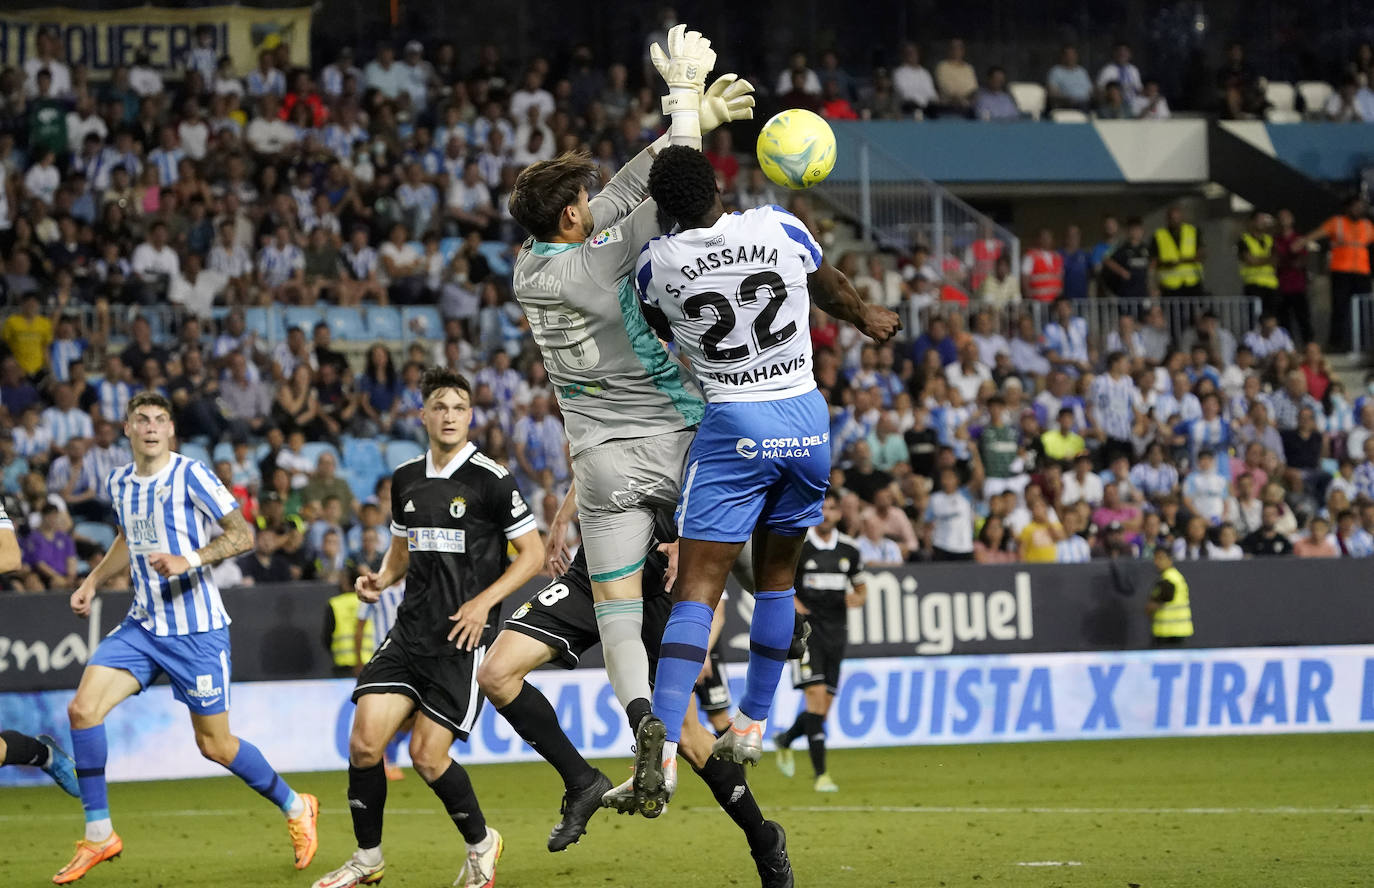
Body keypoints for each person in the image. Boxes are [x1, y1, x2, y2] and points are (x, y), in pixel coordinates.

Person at [507, 28, 755, 770]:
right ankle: (784, 630)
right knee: (744, 518)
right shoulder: (606, 259)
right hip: (671, 434)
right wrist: (682, 105)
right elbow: (674, 185)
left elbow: (617, 192)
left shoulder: (530, 267)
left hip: (599, 463)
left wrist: (693, 123)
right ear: (575, 219)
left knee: (617, 613)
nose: (592, 200)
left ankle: (642, 715)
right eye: (582, 200)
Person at [631, 144, 900, 816]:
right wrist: (865, 316)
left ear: (663, 208)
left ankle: (662, 749)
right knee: (778, 577)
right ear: (720, 186)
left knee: (697, 587)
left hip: (734, 425)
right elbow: (829, 283)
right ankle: (751, 722)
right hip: (807, 423)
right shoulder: (777, 226)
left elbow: (663, 330)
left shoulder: (655, 265)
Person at [56, 392, 318, 884]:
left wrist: (189, 560)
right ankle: (99, 835)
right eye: (142, 419)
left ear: (171, 431)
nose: (151, 427)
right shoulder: (119, 482)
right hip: (142, 625)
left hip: (196, 631)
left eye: (160, 420)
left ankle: (296, 804)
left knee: (215, 746)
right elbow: (127, 539)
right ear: (127, 428)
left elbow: (240, 534)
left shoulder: (191, 474)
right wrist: (92, 581)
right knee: (82, 710)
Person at [312, 368, 542, 888]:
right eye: (440, 406)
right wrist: (380, 578)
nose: (450, 416)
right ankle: (367, 859)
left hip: (462, 641)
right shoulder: (406, 478)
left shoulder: (492, 478)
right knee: (365, 745)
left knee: (426, 756)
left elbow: (532, 556)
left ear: (471, 416)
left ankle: (482, 844)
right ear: (423, 415)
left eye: (460, 407)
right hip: (409, 631)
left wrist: (484, 604)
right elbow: (401, 550)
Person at [475, 514, 795, 887]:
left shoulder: (688, 456)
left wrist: (687, 540)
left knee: (690, 738)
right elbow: (591, 458)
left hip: (656, 585)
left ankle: (764, 840)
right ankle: (583, 782)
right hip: (593, 573)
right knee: (495, 673)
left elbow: (703, 484)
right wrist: (563, 517)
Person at [772, 492, 866, 792]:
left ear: (840, 513)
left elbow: (861, 588)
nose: (827, 512)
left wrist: (856, 598)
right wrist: (796, 605)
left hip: (836, 633)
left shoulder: (849, 550)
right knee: (814, 698)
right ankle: (821, 775)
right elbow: (781, 582)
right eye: (822, 507)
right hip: (806, 634)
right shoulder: (801, 545)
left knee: (823, 708)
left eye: (832, 508)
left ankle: (786, 739)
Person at [1303, 194, 1373, 352]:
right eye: (1355, 206)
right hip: (1341, 270)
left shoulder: (1367, 225)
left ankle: (1365, 344)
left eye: (1361, 206)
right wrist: (1302, 241)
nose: (1359, 209)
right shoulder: (1337, 222)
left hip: (1362, 271)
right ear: (1347, 208)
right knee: (1340, 308)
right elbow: (1318, 233)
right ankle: (1337, 343)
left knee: (1364, 308)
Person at [1152, 204, 1205, 298]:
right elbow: (1154, 260)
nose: (1175, 221)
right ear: (1167, 219)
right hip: (1169, 285)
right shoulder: (1159, 235)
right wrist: (1168, 263)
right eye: (1173, 219)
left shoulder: (1192, 231)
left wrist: (1183, 260)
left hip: (1192, 283)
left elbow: (1201, 254)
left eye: (1177, 218)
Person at [1146, 547, 1193, 646]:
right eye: (1155, 558)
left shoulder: (1168, 580)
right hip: (1175, 631)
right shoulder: (1174, 577)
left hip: (1169, 634)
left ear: (1170, 560)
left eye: (1160, 558)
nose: (1157, 562)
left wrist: (1149, 609)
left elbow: (1153, 605)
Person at [1238, 211, 1278, 317]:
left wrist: (1258, 260)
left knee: (1272, 317)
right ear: (1252, 222)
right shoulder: (1244, 240)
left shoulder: (1270, 240)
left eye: (1264, 220)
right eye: (1259, 219)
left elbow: (1276, 259)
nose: (1262, 222)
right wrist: (1268, 259)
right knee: (1254, 318)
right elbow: (1250, 260)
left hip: (1271, 285)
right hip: (1253, 285)